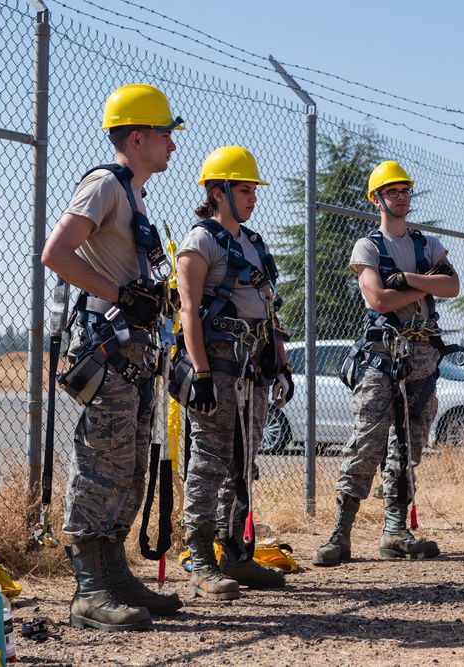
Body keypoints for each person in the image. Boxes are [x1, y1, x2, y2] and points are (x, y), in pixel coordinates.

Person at [41, 84, 185, 631]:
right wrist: (122, 295)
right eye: (166, 134)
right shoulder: (104, 184)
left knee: (128, 465)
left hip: (136, 351)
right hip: (110, 347)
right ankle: (88, 590)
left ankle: (115, 573)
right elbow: (56, 253)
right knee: (102, 463)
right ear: (138, 136)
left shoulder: (133, 193)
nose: (173, 144)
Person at [312, 160, 460, 567]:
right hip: (382, 356)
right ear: (377, 199)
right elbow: (378, 300)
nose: (401, 197)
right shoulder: (368, 247)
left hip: (424, 359)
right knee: (366, 442)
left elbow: (452, 286)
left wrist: (407, 280)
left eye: (405, 191)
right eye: (392, 192)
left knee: (408, 446)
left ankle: (394, 531)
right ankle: (340, 535)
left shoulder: (425, 244)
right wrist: (421, 285)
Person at [175, 146, 293, 600]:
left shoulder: (255, 244)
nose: (253, 197)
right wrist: (201, 374)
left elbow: (270, 313)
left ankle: (236, 554)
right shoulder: (200, 240)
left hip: (254, 366)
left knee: (243, 462)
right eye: (244, 189)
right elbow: (188, 310)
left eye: (252, 190)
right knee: (209, 461)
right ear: (218, 191)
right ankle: (201, 559)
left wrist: (281, 365)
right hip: (219, 363)